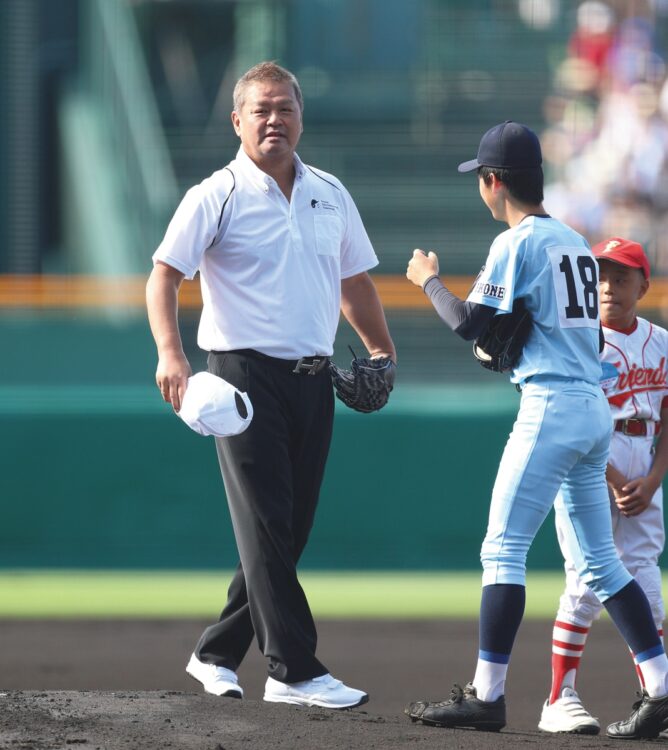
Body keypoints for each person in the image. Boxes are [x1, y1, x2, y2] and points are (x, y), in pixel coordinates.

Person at [403, 120, 668, 739]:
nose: (482, 189)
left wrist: (427, 281)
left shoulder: (517, 241)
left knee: (502, 549)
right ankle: (660, 686)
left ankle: (487, 693)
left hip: (550, 403)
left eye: (482, 179)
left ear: (493, 182)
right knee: (602, 560)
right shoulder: (575, 241)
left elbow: (471, 323)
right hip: (592, 409)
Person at [145, 61, 395, 709]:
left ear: (300, 118)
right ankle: (294, 671)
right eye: (260, 110)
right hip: (241, 377)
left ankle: (216, 651)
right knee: (265, 525)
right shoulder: (216, 194)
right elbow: (164, 275)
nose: (273, 119)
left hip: (314, 380)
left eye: (284, 108)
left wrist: (381, 349)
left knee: (287, 530)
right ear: (237, 121)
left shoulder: (331, 193)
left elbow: (356, 282)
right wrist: (171, 355)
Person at [538, 237, 668, 734]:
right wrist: (614, 478)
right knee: (586, 581)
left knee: (647, 586)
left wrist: (653, 480)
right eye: (600, 276)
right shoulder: (577, 338)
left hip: (645, 462)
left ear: (643, 284)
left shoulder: (660, 340)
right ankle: (559, 697)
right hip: (591, 463)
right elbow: (566, 418)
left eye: (621, 276)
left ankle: (654, 702)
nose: (609, 286)